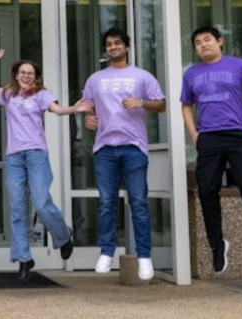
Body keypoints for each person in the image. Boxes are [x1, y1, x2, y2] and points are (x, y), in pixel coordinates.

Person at [0, 50, 93, 281]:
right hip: (14, 157)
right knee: (18, 210)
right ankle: (24, 259)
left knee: (41, 203)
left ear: (36, 77)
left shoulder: (42, 95)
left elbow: (57, 110)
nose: (26, 76)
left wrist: (74, 108)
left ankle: (63, 236)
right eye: (22, 72)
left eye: (30, 73)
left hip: (36, 155)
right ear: (16, 75)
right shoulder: (9, 94)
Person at [182, 26, 242, 276]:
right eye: (198, 42)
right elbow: (186, 105)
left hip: (238, 136)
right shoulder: (191, 74)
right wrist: (194, 135)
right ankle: (217, 245)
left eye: (207, 40)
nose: (203, 45)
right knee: (207, 191)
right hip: (208, 139)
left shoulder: (239, 65)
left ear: (219, 41)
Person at [83, 27, 166, 281]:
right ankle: (106, 251)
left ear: (127, 47)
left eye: (117, 43)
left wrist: (141, 102)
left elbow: (161, 104)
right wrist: (88, 118)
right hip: (105, 149)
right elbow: (87, 105)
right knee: (107, 203)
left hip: (134, 147)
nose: (113, 47)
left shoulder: (142, 76)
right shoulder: (95, 79)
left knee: (139, 203)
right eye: (109, 44)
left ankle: (144, 256)